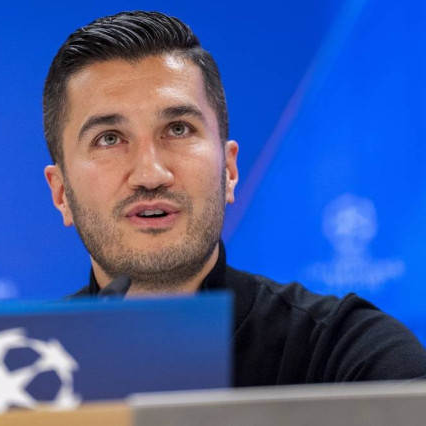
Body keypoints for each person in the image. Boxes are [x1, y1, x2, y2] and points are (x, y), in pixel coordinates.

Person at [42, 11, 426, 386]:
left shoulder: (347, 354)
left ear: (229, 171)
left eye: (177, 129)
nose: (150, 174)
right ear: (61, 193)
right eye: (108, 138)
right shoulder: (11, 371)